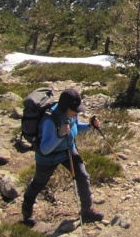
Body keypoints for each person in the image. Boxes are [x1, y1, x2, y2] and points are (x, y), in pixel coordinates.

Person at [22, 88, 103, 226]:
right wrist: (59, 136)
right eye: (75, 109)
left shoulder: (72, 114)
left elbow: (76, 127)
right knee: (38, 184)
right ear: (66, 107)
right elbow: (45, 149)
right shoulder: (50, 120)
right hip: (48, 158)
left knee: (82, 176)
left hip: (68, 151)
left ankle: (87, 210)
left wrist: (90, 126)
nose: (77, 112)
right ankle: (26, 212)